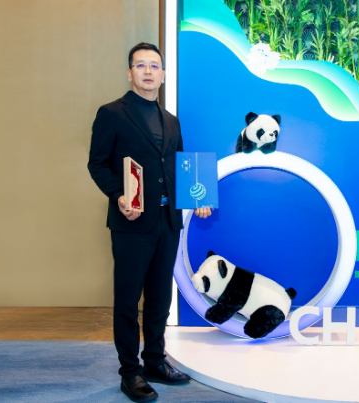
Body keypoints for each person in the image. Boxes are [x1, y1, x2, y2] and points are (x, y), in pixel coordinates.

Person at [88, 42, 211, 403]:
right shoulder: (112, 113)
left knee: (160, 297)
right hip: (132, 222)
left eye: (154, 65)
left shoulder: (170, 120)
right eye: (140, 65)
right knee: (128, 299)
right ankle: (130, 373)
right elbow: (97, 164)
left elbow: (179, 168)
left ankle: (155, 361)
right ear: (130, 73)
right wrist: (119, 194)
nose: (147, 71)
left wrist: (198, 199)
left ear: (163, 74)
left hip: (167, 221)